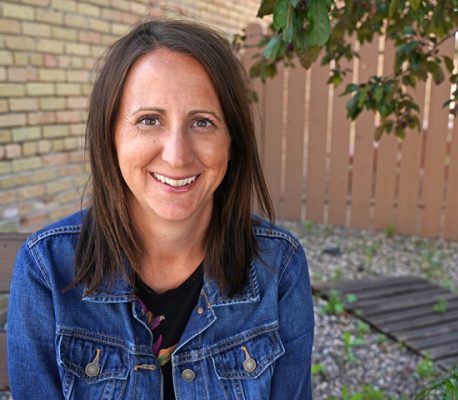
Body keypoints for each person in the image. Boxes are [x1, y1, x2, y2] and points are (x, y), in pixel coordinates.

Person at [7, 19, 314, 399]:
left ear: (232, 141)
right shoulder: (47, 268)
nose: (177, 155)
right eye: (149, 120)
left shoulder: (278, 265)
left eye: (202, 122)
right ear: (111, 136)